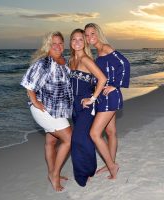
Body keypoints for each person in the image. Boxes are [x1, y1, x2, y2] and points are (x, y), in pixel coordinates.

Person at [20, 31, 73, 192]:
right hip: (45, 110)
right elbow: (28, 82)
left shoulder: (64, 61)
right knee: (69, 139)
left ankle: (51, 171)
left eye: (60, 43)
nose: (57, 46)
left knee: (51, 142)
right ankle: (54, 175)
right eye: (53, 43)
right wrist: (35, 101)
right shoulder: (44, 62)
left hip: (58, 109)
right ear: (47, 46)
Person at [84, 23, 130, 179]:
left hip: (111, 96)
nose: (89, 37)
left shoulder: (105, 47)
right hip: (103, 97)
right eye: (87, 35)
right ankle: (110, 163)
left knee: (94, 133)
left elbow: (124, 63)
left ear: (98, 34)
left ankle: (112, 166)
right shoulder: (97, 52)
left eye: (92, 34)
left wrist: (115, 85)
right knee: (110, 132)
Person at [69, 28, 107, 186]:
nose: (77, 42)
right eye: (74, 39)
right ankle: (90, 169)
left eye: (80, 39)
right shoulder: (71, 61)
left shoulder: (85, 59)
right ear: (70, 42)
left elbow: (102, 79)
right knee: (85, 139)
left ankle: (82, 175)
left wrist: (92, 98)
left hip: (86, 107)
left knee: (77, 139)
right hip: (74, 106)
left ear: (84, 42)